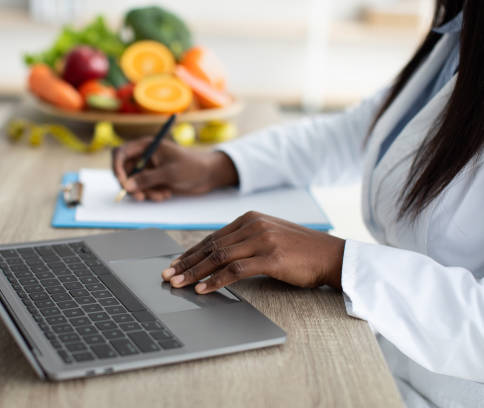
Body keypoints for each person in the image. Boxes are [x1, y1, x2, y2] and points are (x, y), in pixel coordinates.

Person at [112, 1, 483, 406]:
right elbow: (364, 129)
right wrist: (220, 166)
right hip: (389, 356)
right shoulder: (459, 26)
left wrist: (340, 261)